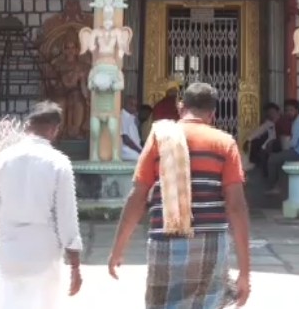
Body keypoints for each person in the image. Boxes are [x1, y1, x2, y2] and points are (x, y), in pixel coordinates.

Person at [108, 82, 252, 308]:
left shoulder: (159, 138)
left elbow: (137, 198)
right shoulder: (225, 143)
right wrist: (245, 272)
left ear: (181, 106)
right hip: (212, 243)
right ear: (212, 114)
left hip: (165, 242)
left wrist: (117, 249)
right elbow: (236, 207)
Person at [0, 101, 83, 308]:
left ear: (27, 126)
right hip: (44, 256)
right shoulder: (59, 163)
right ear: (54, 130)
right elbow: (67, 218)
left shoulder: (2, 159)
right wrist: (75, 265)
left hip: (9, 254)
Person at [263, 108, 299, 195]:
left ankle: (273, 186)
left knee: (272, 159)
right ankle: (277, 185)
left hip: (298, 152)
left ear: (296, 110)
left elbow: (293, 143)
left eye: (291, 110)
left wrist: (286, 147)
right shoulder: (295, 121)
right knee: (277, 158)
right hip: (298, 150)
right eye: (287, 110)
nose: (289, 112)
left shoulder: (298, 123)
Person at [243, 103, 280, 170]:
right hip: (270, 145)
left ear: (277, 112)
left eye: (273, 112)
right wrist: (248, 139)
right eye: (269, 112)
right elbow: (259, 131)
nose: (271, 114)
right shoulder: (268, 123)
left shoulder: (280, 121)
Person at [120, 95, 143, 162]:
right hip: (126, 150)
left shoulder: (132, 117)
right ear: (125, 104)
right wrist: (140, 151)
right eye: (131, 104)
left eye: (135, 105)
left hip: (135, 149)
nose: (134, 107)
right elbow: (126, 139)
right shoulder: (122, 117)